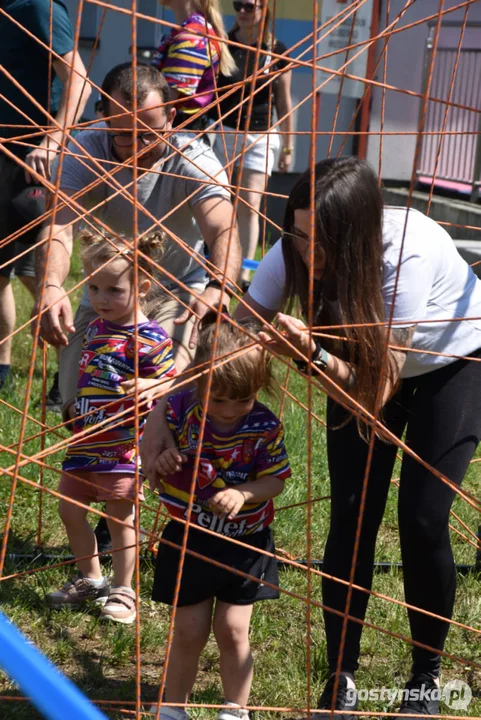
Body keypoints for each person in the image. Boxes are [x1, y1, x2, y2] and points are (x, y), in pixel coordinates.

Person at [231, 157, 481, 719]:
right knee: (351, 512)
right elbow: (238, 331)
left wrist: (312, 355)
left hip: (454, 361)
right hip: (364, 365)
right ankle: (341, 674)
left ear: (358, 233)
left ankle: (425, 678)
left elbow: (376, 392)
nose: (306, 252)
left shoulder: (405, 251)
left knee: (422, 516)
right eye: (296, 236)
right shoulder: (294, 244)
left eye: (320, 242)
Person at [34, 62, 241, 424]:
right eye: (125, 134)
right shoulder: (86, 150)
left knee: (158, 402)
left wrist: (219, 286)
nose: (139, 146)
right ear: (104, 118)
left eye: (151, 133)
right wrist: (51, 285)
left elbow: (223, 228)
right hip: (105, 294)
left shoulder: (193, 158)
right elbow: (58, 227)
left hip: (176, 297)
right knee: (79, 411)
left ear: (172, 116)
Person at [148, 309, 291, 719]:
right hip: (189, 536)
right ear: (198, 383)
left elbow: (276, 480)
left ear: (258, 389)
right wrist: (166, 459)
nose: (229, 410)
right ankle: (173, 708)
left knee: (232, 630)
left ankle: (235, 709)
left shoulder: (264, 426)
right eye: (219, 399)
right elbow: (159, 458)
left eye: (242, 399)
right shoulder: (179, 411)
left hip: (244, 544)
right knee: (188, 631)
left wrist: (244, 493)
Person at [46, 229, 176, 623]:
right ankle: (91, 577)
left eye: (114, 290)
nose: (102, 299)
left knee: (122, 519)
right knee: (69, 510)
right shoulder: (96, 329)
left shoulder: (150, 338)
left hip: (123, 446)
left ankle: (123, 589)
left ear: (143, 285)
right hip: (86, 441)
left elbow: (175, 383)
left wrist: (153, 384)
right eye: (94, 288)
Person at [0, 0, 90, 392]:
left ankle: (70, 374)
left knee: (41, 271)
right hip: (4, 155)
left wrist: (52, 140)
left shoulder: (38, 6)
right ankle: (2, 370)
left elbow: (79, 79)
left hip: (33, 158)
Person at [211, 0, 293, 291]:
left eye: (250, 6)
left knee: (249, 206)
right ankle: (215, 267)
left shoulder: (276, 51)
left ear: (265, 10)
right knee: (216, 200)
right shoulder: (222, 43)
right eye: (238, 5)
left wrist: (288, 145)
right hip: (223, 130)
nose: (243, 11)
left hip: (260, 134)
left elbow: (284, 102)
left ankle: (242, 275)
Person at [152, 0, 235, 137]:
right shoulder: (193, 29)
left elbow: (164, 102)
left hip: (178, 138)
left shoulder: (191, 38)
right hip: (182, 134)